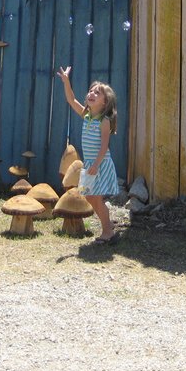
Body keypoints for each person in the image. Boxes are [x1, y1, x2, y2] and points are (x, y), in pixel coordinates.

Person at [56, 66, 119, 244]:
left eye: (97, 93)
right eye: (91, 91)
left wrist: (96, 165)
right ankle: (108, 225)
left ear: (105, 103)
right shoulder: (87, 115)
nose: (92, 93)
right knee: (90, 197)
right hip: (91, 164)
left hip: (100, 164)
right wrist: (66, 81)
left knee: (96, 198)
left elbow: (104, 147)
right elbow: (71, 99)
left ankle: (108, 232)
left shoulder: (104, 121)